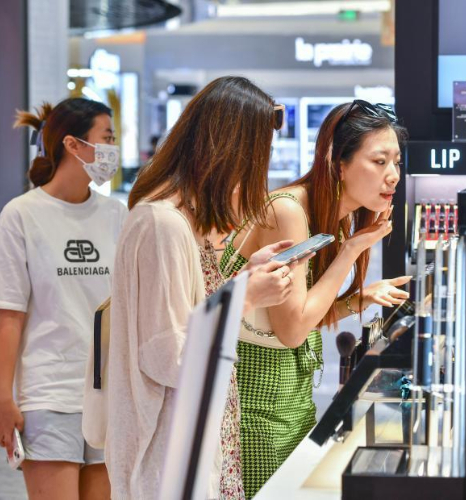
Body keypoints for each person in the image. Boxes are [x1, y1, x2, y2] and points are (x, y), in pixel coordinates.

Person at [105, 76, 303, 500]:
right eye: (259, 156)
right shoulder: (163, 224)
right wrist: (246, 296)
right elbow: (169, 356)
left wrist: (245, 279)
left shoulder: (184, 220)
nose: (261, 171)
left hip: (199, 439)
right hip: (170, 455)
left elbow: (190, 312)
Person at [220, 100, 410, 498]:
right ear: (339, 164)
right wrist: (350, 251)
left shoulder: (332, 215)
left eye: (396, 161)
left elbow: (298, 317)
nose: (393, 174)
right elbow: (291, 332)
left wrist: (358, 299)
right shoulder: (289, 211)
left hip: (292, 396)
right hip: (252, 403)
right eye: (379, 161)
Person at [0, 98, 127, 500]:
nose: (112, 149)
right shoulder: (22, 215)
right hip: (47, 394)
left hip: (106, 396)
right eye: (107, 138)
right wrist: (4, 399)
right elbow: (10, 315)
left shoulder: (116, 215)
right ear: (73, 144)